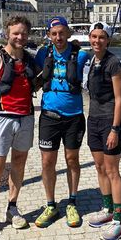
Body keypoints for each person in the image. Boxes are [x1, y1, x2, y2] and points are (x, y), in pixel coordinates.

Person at [0, 16, 41, 238]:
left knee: (19, 163)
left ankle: (12, 207)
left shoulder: (31, 60)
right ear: (7, 33)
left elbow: (39, 81)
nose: (20, 37)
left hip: (26, 118)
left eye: (23, 33)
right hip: (2, 117)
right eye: (16, 33)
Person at [34, 16, 90, 228]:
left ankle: (72, 202)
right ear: (49, 35)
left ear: (68, 33)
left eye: (62, 32)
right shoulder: (42, 54)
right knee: (47, 162)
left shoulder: (81, 55)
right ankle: (50, 205)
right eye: (54, 33)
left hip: (74, 116)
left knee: (72, 159)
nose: (58, 37)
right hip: (49, 115)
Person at [85, 22, 121, 240]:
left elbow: (120, 99)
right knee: (100, 167)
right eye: (94, 36)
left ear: (108, 40)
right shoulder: (92, 60)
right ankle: (107, 208)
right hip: (93, 120)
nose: (97, 41)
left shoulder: (112, 63)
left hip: (110, 122)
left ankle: (119, 222)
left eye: (102, 37)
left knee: (112, 171)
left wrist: (114, 129)